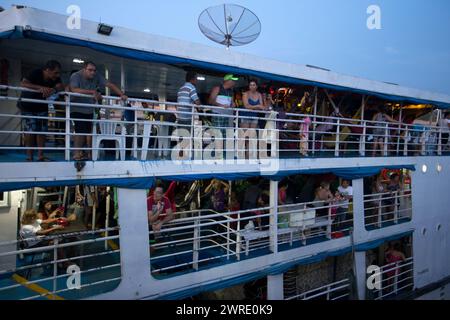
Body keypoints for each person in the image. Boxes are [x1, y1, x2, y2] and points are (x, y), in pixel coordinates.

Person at [69, 61, 128, 160]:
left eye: (94, 70)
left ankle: (83, 153)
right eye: (90, 70)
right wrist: (92, 92)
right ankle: (76, 153)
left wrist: (121, 94)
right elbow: (74, 89)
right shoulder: (76, 76)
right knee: (80, 130)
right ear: (84, 69)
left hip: (89, 109)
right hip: (77, 108)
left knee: (87, 132)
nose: (92, 72)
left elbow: (110, 85)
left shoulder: (96, 76)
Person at [18, 60, 64, 162]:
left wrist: (52, 90)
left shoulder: (55, 78)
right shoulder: (35, 72)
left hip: (42, 106)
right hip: (28, 105)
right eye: (56, 72)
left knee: (42, 130)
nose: (57, 75)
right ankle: (29, 156)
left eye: (58, 73)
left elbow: (61, 86)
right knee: (31, 130)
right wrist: (41, 88)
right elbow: (23, 83)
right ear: (47, 70)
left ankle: (40, 156)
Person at [208, 74, 238, 149]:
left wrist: (233, 105)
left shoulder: (231, 91)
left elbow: (231, 103)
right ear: (227, 81)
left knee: (226, 134)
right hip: (218, 114)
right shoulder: (217, 88)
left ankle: (222, 152)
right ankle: (216, 151)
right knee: (218, 134)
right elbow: (210, 101)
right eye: (233, 80)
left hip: (228, 115)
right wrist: (221, 105)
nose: (235, 82)